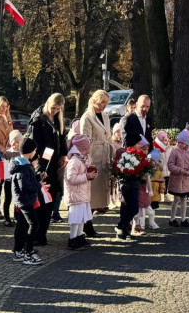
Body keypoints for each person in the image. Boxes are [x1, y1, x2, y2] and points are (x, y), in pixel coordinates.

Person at [29, 93, 66, 245]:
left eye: (58, 109)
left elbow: (62, 136)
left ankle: (43, 232)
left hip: (55, 164)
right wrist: (40, 167)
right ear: (48, 103)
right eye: (53, 108)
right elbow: (34, 145)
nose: (54, 111)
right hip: (43, 165)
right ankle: (37, 234)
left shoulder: (58, 118)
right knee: (42, 200)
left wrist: (64, 153)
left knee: (51, 199)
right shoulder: (38, 119)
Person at [78, 90, 114, 237]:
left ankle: (89, 222)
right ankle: (87, 224)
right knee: (91, 194)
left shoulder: (105, 116)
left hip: (104, 156)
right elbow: (85, 140)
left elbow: (108, 135)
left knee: (99, 194)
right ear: (94, 101)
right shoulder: (87, 117)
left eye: (106, 103)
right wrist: (88, 160)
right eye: (101, 102)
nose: (104, 106)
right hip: (93, 158)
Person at [116, 94, 152, 239]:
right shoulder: (128, 119)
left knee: (135, 197)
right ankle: (123, 227)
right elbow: (126, 140)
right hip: (129, 160)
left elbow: (149, 139)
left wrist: (150, 153)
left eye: (148, 107)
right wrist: (140, 146)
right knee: (127, 197)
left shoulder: (148, 120)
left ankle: (125, 226)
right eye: (143, 106)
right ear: (136, 104)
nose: (145, 109)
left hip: (142, 161)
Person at [10, 137, 43, 264]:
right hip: (26, 201)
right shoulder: (24, 167)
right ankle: (28, 254)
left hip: (22, 200)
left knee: (22, 225)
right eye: (34, 150)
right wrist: (40, 185)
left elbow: (26, 182)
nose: (35, 153)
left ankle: (18, 251)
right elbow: (26, 186)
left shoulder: (19, 164)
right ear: (30, 151)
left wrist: (37, 178)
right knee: (34, 224)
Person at [64, 134, 97, 249]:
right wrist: (86, 176)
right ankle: (72, 238)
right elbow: (71, 178)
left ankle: (79, 236)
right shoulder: (74, 161)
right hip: (76, 194)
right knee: (76, 217)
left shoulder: (85, 158)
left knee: (82, 217)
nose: (91, 148)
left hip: (83, 193)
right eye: (89, 146)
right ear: (83, 148)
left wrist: (90, 175)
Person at [167, 131, 189, 227]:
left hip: (186, 180)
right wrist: (180, 170)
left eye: (182, 143)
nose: (180, 144)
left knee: (184, 199)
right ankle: (172, 218)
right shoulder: (174, 151)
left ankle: (183, 219)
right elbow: (170, 165)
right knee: (176, 199)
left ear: (186, 143)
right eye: (179, 142)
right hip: (176, 179)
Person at [1, 130, 24, 225]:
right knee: (8, 199)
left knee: (17, 199)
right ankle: (7, 218)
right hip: (9, 180)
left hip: (19, 180)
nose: (18, 145)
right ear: (12, 143)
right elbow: (5, 168)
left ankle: (17, 216)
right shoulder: (7, 154)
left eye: (19, 142)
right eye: (16, 142)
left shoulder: (22, 153)